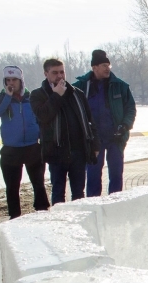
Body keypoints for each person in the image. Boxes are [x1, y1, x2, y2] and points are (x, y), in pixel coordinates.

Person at [30, 58, 99, 205]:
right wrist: (56, 95)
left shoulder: (76, 93)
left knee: (79, 194)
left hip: (78, 152)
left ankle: (78, 223)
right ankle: (59, 224)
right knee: (58, 192)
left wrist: (95, 145)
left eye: (62, 72)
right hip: (56, 153)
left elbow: (90, 121)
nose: (60, 76)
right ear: (46, 74)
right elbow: (43, 116)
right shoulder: (38, 95)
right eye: (55, 73)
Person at [0, 66, 50, 219]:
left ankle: (42, 212)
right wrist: (7, 97)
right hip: (11, 150)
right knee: (12, 187)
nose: (11, 83)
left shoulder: (32, 97)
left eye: (14, 80)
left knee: (38, 184)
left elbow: (43, 117)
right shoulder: (1, 98)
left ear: (21, 81)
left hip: (32, 147)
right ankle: (14, 216)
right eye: (8, 80)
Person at [73, 50, 136, 197]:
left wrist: (125, 126)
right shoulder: (81, 86)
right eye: (103, 65)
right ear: (94, 68)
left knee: (116, 174)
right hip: (94, 140)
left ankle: (115, 205)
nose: (107, 68)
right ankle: (93, 207)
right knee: (93, 176)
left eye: (108, 64)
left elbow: (130, 109)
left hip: (116, 138)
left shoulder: (120, 86)